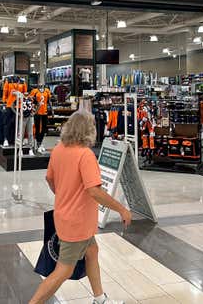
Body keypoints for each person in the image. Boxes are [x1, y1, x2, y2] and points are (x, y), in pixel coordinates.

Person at [29, 111, 131, 304]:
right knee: (63, 270)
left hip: (65, 217)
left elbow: (49, 178)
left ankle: (99, 298)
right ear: (88, 130)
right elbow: (95, 191)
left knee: (92, 252)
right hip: (78, 223)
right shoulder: (85, 155)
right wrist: (121, 209)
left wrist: (64, 195)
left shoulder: (58, 149)